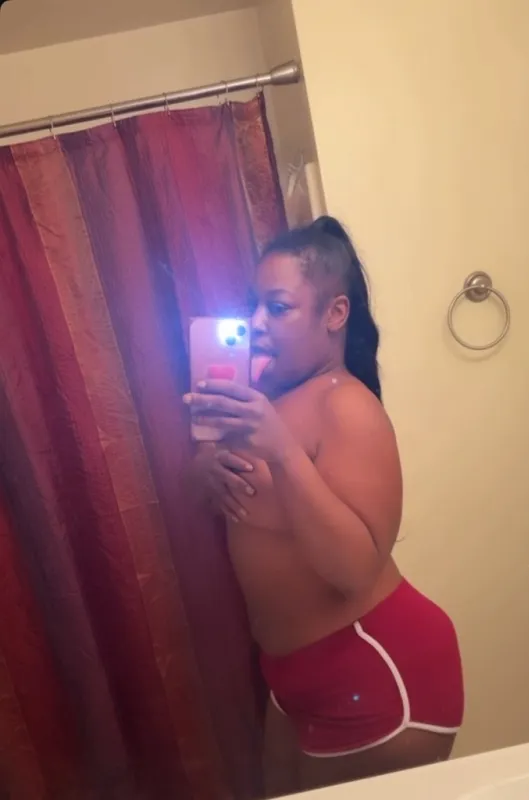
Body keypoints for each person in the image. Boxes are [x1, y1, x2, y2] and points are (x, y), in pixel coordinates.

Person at [184, 217, 464, 796]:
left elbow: (354, 570)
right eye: (253, 306)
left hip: (374, 666)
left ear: (335, 314)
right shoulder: (264, 399)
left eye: (277, 307)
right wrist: (205, 470)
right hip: (291, 676)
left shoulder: (348, 408)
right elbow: (239, 509)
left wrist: (281, 450)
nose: (257, 322)